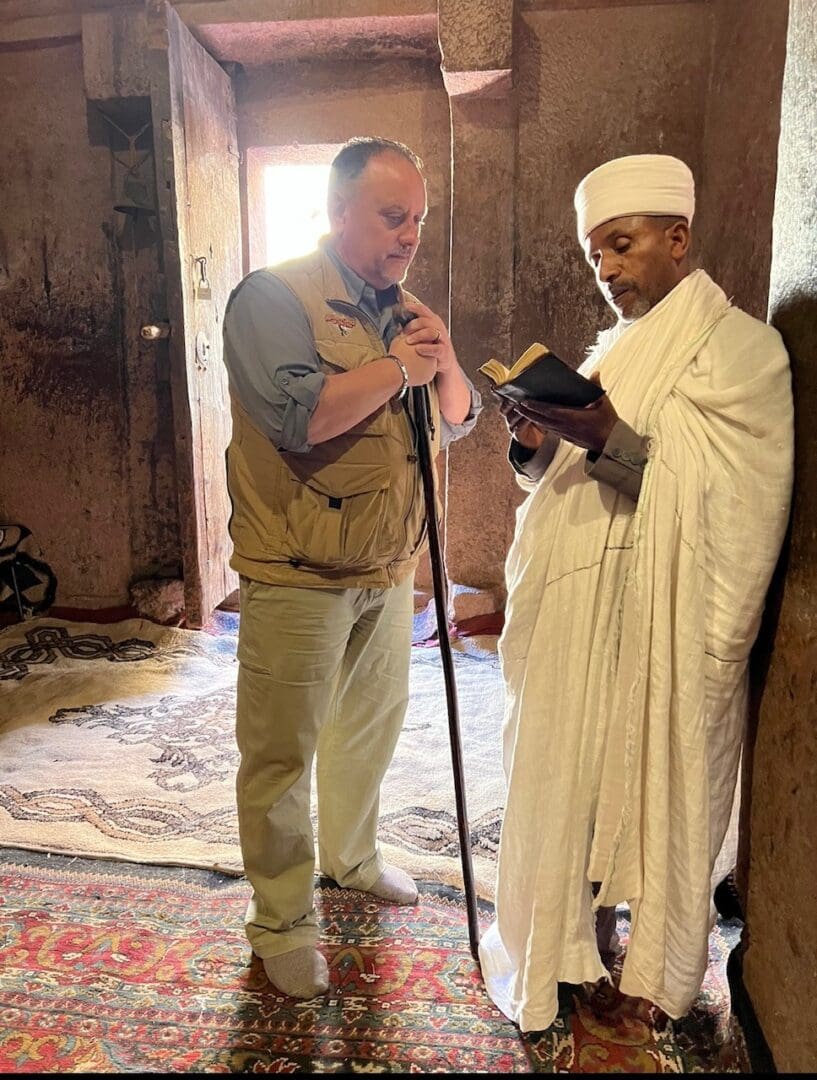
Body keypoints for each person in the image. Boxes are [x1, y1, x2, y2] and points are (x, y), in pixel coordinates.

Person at [479, 153, 794, 1032]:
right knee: (567, 774)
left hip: (661, 607)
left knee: (648, 770)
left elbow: (736, 501)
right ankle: (567, 943)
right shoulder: (611, 350)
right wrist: (537, 443)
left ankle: (648, 962)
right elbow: (561, 481)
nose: (608, 270)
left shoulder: (742, 351)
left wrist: (608, 433)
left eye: (620, 246)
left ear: (676, 237)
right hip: (580, 602)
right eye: (595, 257)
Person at [222, 137, 481, 1000]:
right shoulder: (273, 298)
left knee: (366, 734)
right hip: (298, 570)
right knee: (280, 755)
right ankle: (282, 920)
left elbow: (452, 425)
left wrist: (440, 358)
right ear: (337, 212)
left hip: (384, 566)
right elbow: (300, 418)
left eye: (417, 218)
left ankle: (352, 857)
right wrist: (395, 367)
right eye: (390, 215)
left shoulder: (398, 310)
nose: (408, 234)